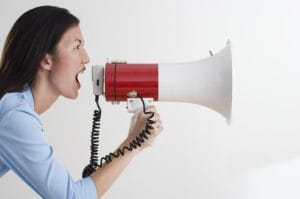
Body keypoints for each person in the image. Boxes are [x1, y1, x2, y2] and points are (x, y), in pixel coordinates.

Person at [0, 5, 163, 198]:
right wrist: (134, 143)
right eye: (76, 47)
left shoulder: (13, 107)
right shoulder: (14, 115)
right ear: (46, 60)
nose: (86, 58)